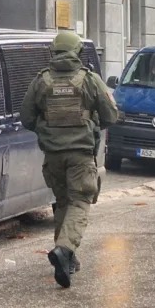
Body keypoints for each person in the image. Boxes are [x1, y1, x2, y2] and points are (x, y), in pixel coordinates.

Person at [21, 31, 120, 288]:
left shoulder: (41, 80)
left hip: (53, 156)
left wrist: (47, 129)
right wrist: (91, 122)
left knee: (63, 202)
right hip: (80, 155)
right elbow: (111, 116)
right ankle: (64, 249)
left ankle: (66, 260)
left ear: (53, 52)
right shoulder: (90, 79)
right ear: (78, 52)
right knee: (80, 201)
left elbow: (26, 118)